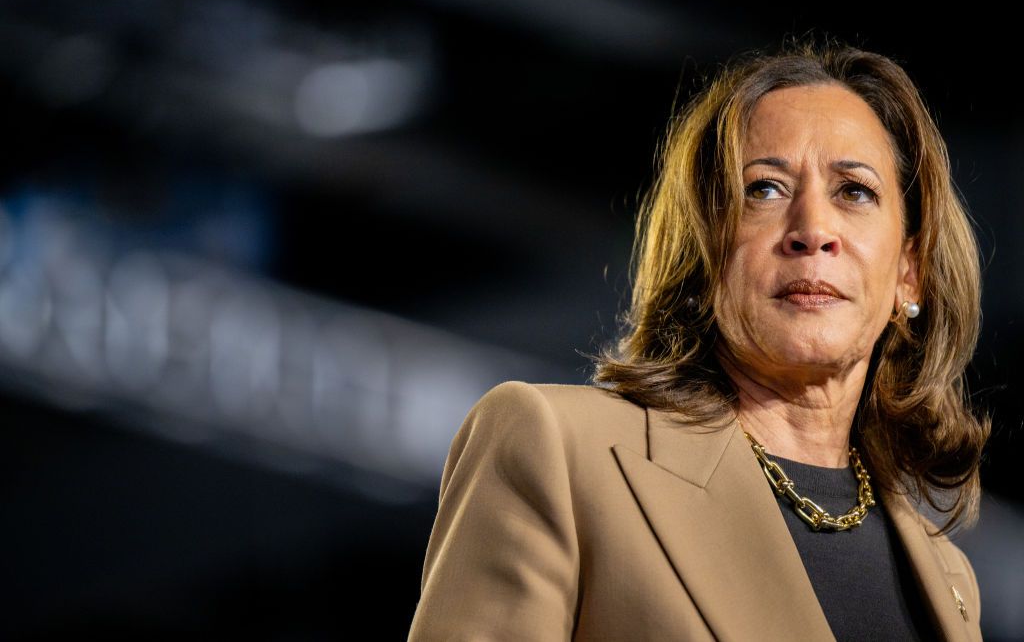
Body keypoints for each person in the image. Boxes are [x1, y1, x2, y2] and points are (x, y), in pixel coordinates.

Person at [407, 38, 990, 641]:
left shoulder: (949, 579)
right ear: (702, 250)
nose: (813, 230)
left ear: (909, 272)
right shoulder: (555, 447)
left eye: (854, 191)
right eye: (763, 188)